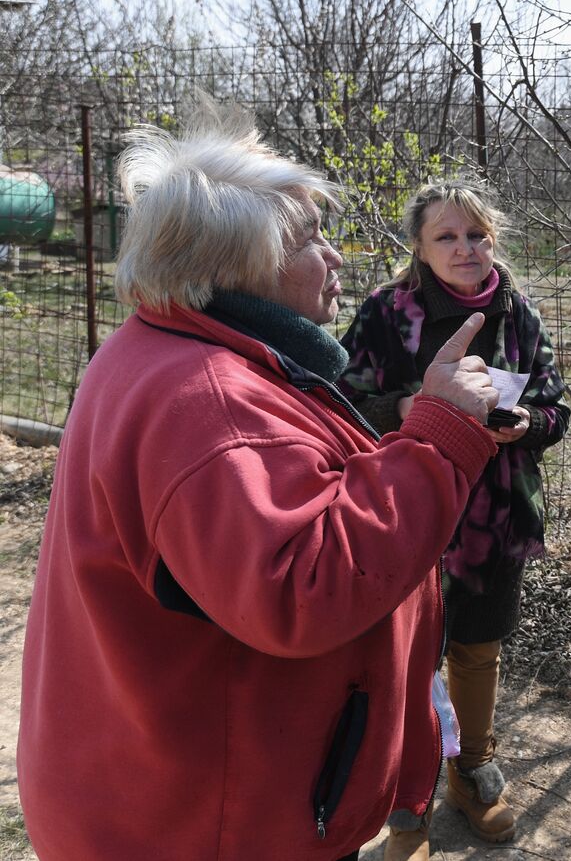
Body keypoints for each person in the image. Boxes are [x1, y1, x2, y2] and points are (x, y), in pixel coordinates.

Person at [18, 104, 501, 860]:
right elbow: (305, 587)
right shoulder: (215, 404)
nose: (337, 257)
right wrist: (440, 436)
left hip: (158, 796)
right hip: (208, 827)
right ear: (239, 264)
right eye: (311, 239)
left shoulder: (164, 347)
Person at [338, 180, 569, 857]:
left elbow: (556, 408)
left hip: (495, 520)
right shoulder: (388, 313)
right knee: (409, 659)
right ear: (419, 246)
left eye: (476, 235)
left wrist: (526, 423)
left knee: (478, 647)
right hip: (411, 518)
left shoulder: (517, 312)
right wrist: (410, 411)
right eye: (447, 236)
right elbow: (342, 404)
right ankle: (408, 806)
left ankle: (471, 769)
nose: (465, 249)